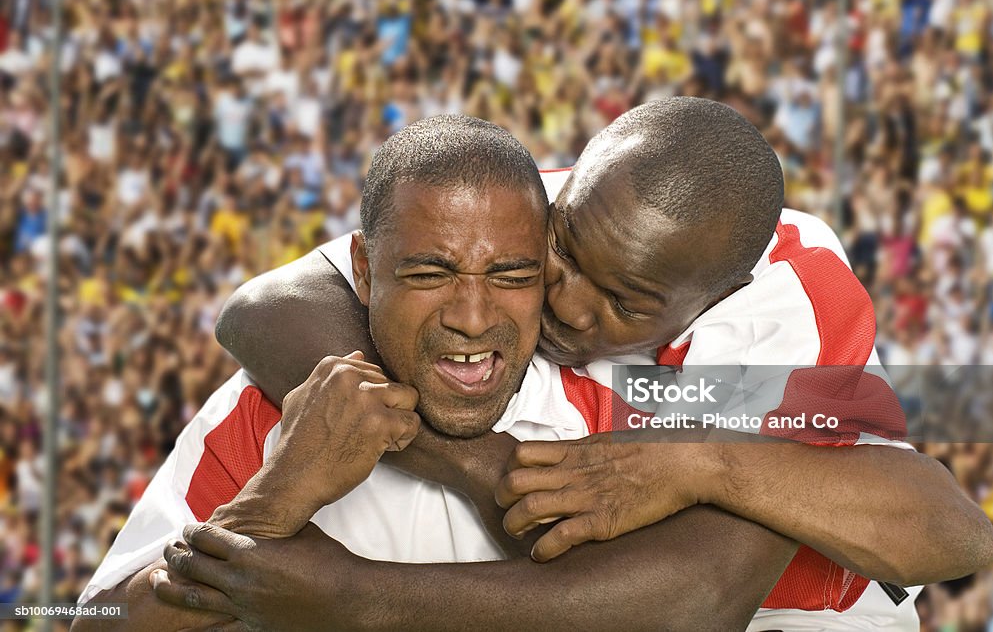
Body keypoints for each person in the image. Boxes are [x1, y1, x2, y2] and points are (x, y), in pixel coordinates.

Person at [157, 100, 993, 629]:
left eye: (621, 300)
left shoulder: (784, 311)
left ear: (713, 296)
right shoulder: (584, 201)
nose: (564, 299)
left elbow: (694, 597)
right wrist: (487, 468)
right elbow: (266, 306)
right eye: (560, 251)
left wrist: (358, 598)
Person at [73, 115, 798, 631]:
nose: (473, 316)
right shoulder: (267, 409)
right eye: (430, 272)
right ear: (362, 269)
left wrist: (356, 601)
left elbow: (692, 600)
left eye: (511, 275)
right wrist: (270, 505)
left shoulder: (638, 423)